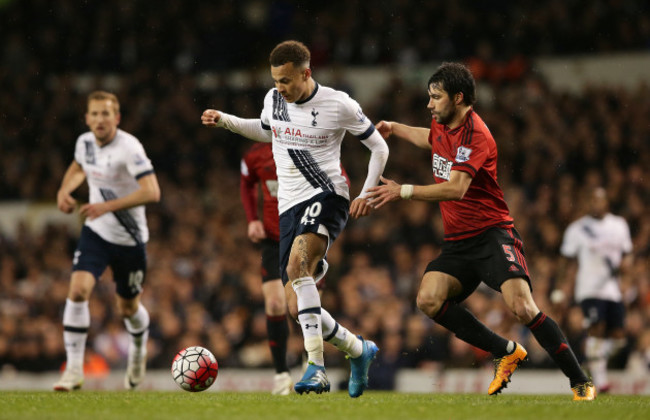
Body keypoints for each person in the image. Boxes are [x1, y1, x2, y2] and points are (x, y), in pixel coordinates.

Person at [365, 62, 595, 401]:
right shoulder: (442, 123)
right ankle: (505, 350)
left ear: (458, 98)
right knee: (428, 299)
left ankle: (580, 382)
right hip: (458, 242)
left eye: (435, 97)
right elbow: (429, 138)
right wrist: (396, 128)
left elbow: (457, 188)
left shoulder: (477, 135)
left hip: (493, 235)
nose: (429, 104)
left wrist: (404, 191)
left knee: (523, 308)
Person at [202, 40, 388, 397]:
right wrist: (225, 121)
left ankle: (315, 367)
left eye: (286, 80)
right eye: (275, 80)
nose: (280, 88)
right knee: (294, 305)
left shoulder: (338, 104)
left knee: (296, 267)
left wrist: (367, 193)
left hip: (327, 194)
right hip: (288, 207)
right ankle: (358, 350)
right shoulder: (275, 100)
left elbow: (379, 146)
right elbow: (266, 129)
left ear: (306, 73)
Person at [53, 91, 160, 391]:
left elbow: (152, 192)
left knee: (127, 308)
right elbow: (78, 167)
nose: (100, 119)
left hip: (129, 239)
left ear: (117, 118)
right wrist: (65, 191)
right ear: (87, 118)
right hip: (96, 232)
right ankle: (73, 370)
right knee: (78, 291)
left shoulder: (130, 148)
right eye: (95, 114)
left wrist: (106, 206)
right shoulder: (84, 142)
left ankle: (138, 347)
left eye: (106, 114)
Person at [559, 187, 633, 393]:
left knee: (619, 338)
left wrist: (627, 271)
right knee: (597, 329)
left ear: (607, 202)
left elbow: (627, 254)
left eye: (599, 200)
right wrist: (563, 285)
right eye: (592, 200)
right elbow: (567, 260)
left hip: (613, 289)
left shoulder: (619, 225)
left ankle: (592, 358)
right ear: (588, 203)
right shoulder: (577, 229)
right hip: (589, 288)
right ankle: (601, 383)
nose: (596, 204)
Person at [240, 142, 292, 395]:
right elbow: (246, 183)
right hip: (273, 239)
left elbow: (339, 179)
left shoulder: (310, 141)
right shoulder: (255, 155)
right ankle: (281, 375)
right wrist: (252, 220)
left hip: (306, 235)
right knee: (274, 304)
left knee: (301, 306)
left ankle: (312, 365)